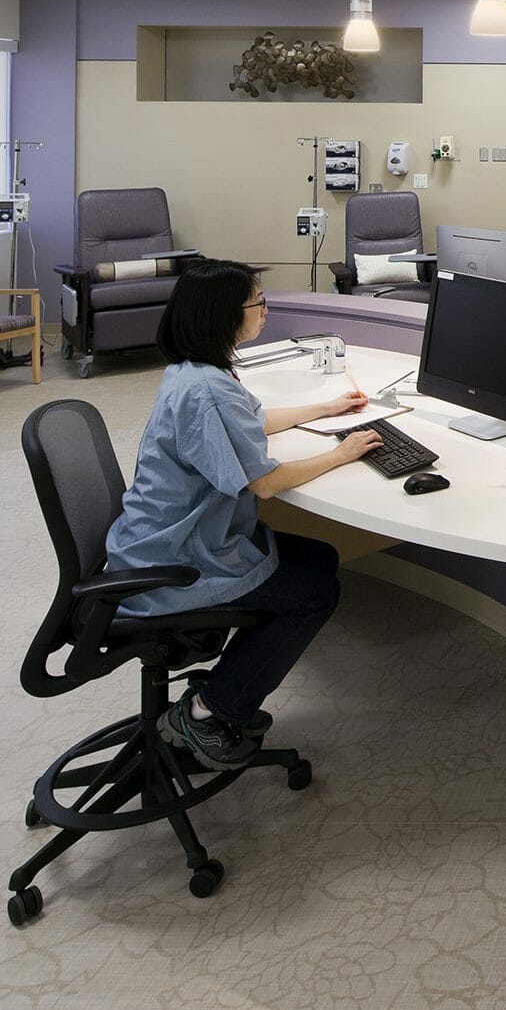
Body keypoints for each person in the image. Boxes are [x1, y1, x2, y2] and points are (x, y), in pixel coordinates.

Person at [105, 259, 383, 769]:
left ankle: (227, 681)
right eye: (258, 304)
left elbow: (253, 419)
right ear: (223, 316)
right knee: (316, 593)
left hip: (165, 540)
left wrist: (326, 408)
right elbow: (267, 483)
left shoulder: (197, 373)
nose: (265, 310)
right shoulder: (207, 392)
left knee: (318, 556)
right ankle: (210, 709)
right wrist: (342, 454)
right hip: (175, 564)